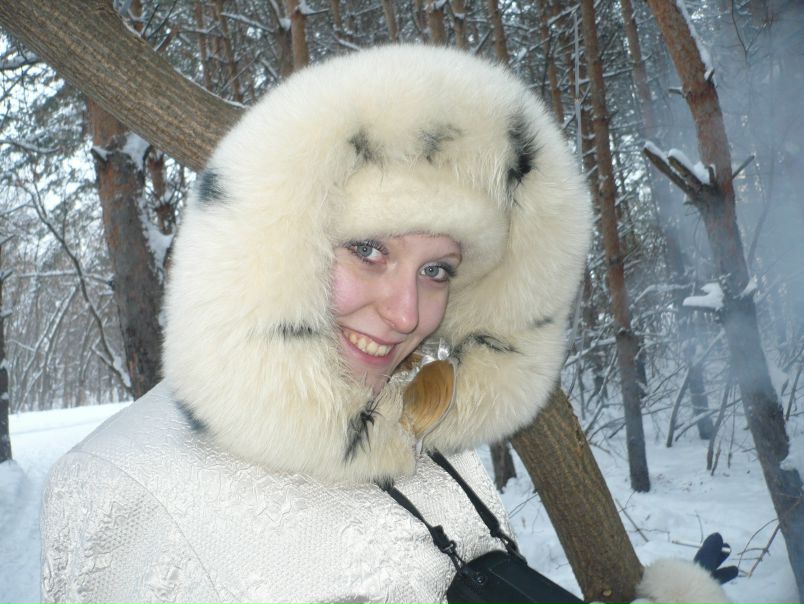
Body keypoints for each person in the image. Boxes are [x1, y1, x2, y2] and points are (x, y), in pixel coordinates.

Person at [40, 45, 733, 603]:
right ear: (276, 246)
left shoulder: (423, 423)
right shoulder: (126, 486)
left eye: (437, 270)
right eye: (369, 250)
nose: (407, 315)